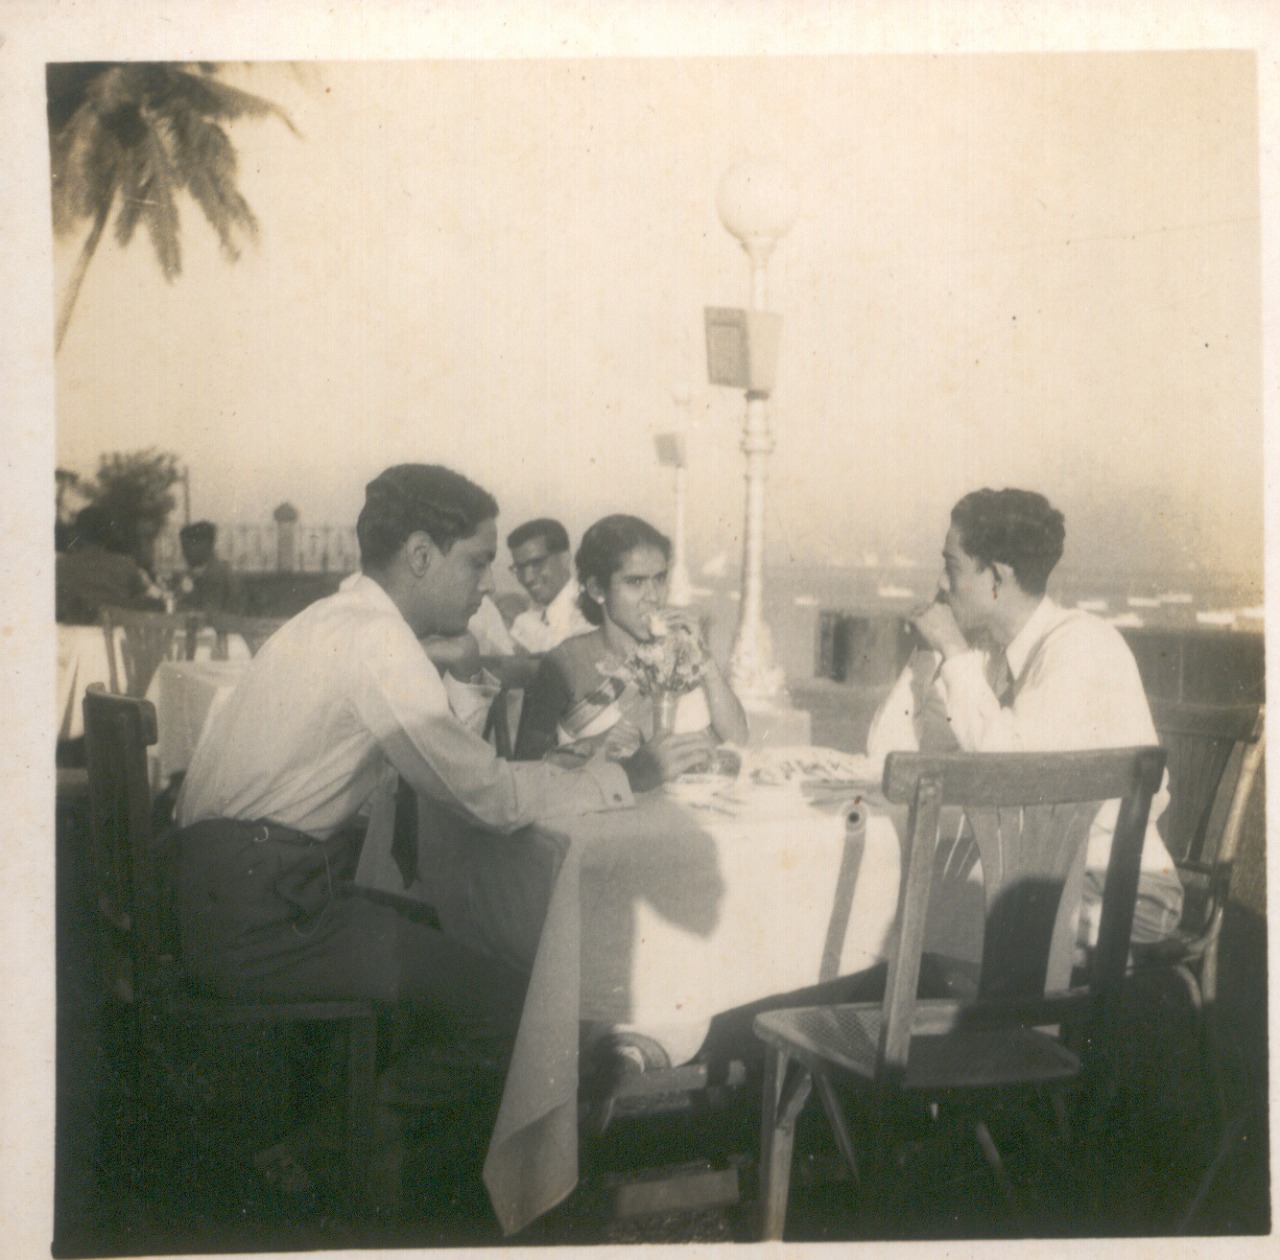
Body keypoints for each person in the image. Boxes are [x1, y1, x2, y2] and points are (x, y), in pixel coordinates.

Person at [175, 466, 713, 1034]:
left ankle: (380, 1098)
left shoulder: (335, 618)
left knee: (463, 937)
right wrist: (629, 775)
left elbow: (442, 768)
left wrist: (463, 670)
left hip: (231, 893)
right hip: (264, 915)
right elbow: (489, 798)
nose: (488, 584)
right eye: (479, 561)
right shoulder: (377, 640)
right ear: (422, 555)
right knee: (525, 1004)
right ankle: (382, 1122)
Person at [866, 487, 1182, 951]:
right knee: (904, 906)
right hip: (1041, 877)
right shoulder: (990, 656)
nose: (940, 583)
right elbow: (884, 752)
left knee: (914, 917)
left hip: (1123, 892)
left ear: (996, 576)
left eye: (951, 567)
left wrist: (953, 652)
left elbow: (1011, 774)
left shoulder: (1081, 647)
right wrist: (927, 651)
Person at [515, 514, 748, 763]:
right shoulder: (565, 663)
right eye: (636, 582)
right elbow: (524, 768)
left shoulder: (678, 651)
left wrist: (704, 658)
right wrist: (594, 747)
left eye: (659, 579)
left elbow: (739, 739)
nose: (653, 597)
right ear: (597, 589)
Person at [55, 505, 164, 625]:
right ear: (108, 533)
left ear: (78, 533)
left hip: (72, 638)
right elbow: (155, 600)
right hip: (115, 638)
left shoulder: (61, 566)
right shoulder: (125, 565)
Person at [505, 518, 593, 654]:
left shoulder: (592, 613)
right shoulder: (523, 622)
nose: (527, 578)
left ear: (565, 558)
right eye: (520, 567)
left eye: (537, 563)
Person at [176, 520, 242, 614]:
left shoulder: (217, 573)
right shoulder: (194, 573)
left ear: (205, 545)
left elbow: (211, 615)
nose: (184, 553)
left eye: (187, 547)